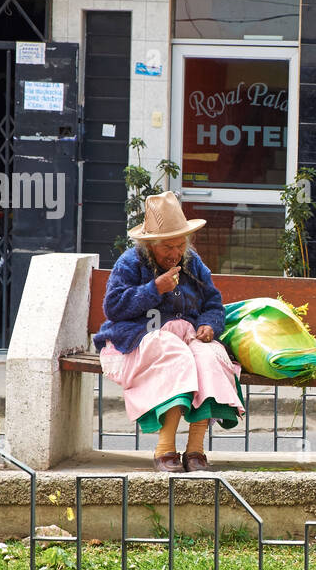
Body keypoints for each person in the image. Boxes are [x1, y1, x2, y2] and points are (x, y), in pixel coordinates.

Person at [93, 192, 244, 472]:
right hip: (140, 338)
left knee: (210, 357)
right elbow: (113, 307)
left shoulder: (192, 262)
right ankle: (165, 449)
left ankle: (195, 451)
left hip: (186, 336)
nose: (175, 254)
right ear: (150, 245)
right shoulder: (130, 263)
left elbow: (213, 302)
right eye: (167, 248)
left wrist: (209, 324)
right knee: (175, 355)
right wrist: (154, 289)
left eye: (180, 245)